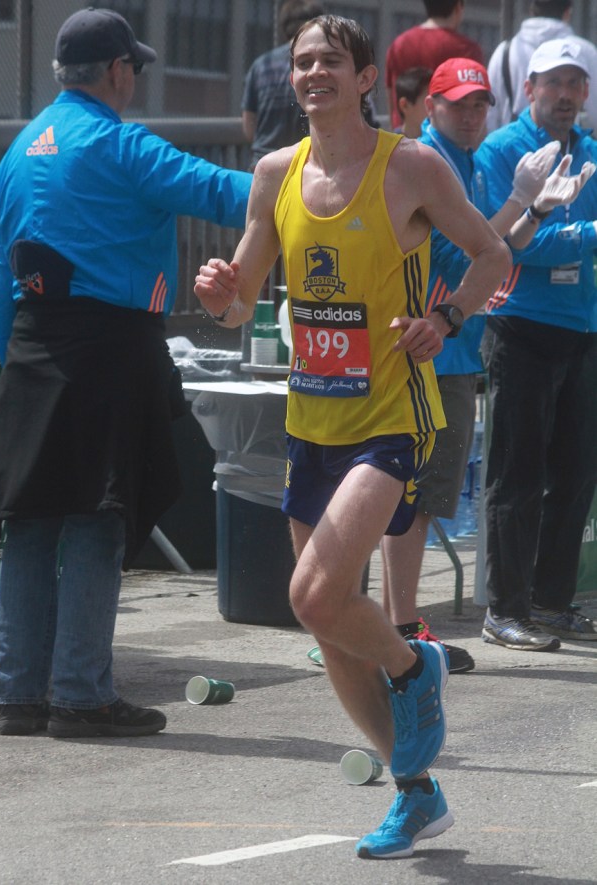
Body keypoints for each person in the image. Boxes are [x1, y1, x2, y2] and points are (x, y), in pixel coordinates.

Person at [195, 15, 511, 860]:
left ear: (366, 77)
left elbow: (490, 255)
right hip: (311, 422)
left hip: (391, 418)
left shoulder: (408, 165)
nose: (313, 74)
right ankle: (415, 795)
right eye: (302, 62)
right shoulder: (274, 174)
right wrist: (218, 288)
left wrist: (445, 317)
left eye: (331, 60)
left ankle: (414, 666)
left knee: (311, 595)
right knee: (332, 623)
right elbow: (239, 302)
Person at [0, 7, 251, 739]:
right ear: (118, 71)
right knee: (96, 517)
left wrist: (13, 361)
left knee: (30, 520)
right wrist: (322, 182)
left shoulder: (19, 149)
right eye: (135, 69)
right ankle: (82, 694)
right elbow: (226, 193)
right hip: (111, 346)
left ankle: (19, 693)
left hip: (30, 343)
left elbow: (1, 277)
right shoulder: (122, 145)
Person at [380, 57, 594, 675]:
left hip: (454, 346)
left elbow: (492, 246)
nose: (469, 115)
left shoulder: (468, 160)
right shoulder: (433, 160)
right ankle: (387, 626)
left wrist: (531, 213)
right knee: (413, 490)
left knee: (423, 497)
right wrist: (535, 215)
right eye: (456, 104)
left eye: (477, 104)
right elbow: (466, 256)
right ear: (427, 106)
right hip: (434, 342)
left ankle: (406, 627)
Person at [478, 36, 597, 651]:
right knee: (516, 473)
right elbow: (514, 244)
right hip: (519, 326)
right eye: (553, 82)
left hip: (581, 330)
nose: (566, 94)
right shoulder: (504, 152)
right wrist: (584, 235)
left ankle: (552, 602)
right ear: (529, 89)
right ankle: (505, 608)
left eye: (576, 82)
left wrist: (572, 234)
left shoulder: (594, 152)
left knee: (576, 474)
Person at [486, 0, 597, 133]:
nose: (563, 94)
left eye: (572, 82)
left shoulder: (505, 51)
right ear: (568, 12)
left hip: (511, 149)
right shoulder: (585, 52)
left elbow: (490, 115)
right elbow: (594, 115)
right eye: (553, 82)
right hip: (566, 147)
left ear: (531, 9)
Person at [241, 0, 324, 171]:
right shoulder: (321, 68)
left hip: (261, 165)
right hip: (305, 167)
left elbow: (248, 126)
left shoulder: (261, 65)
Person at [385, 1, 484, 132]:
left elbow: (392, 100)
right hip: (446, 142)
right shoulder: (467, 50)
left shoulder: (399, 44)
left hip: (403, 139)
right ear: (459, 6)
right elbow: (476, 102)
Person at [394, 66, 432, 138]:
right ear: (404, 105)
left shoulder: (444, 144)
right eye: (428, 101)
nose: (435, 107)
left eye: (437, 100)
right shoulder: (390, 146)